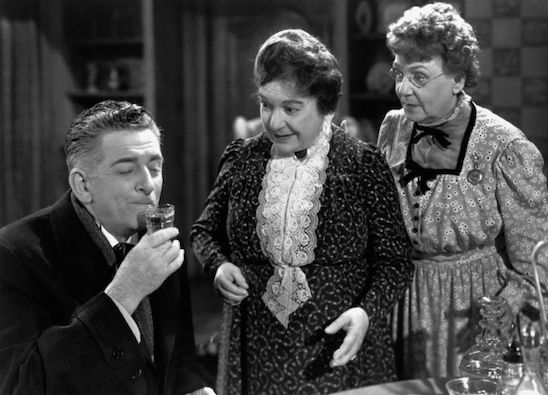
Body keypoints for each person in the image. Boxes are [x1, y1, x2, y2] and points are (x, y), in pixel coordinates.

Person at [190, 29, 413, 395]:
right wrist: (218, 266)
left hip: (338, 351)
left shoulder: (361, 165)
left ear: (324, 105)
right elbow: (204, 231)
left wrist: (366, 312)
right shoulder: (242, 159)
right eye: (266, 104)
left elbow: (395, 260)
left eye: (291, 108)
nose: (275, 122)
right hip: (257, 349)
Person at [377, 2, 548, 379]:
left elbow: (543, 264)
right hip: (401, 306)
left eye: (419, 76)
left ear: (458, 78)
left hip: (472, 317)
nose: (403, 89)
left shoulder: (505, 147)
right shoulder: (393, 127)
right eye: (399, 73)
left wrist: (505, 310)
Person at [0, 100, 214, 394]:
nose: (148, 184)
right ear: (83, 186)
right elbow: (20, 386)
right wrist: (124, 293)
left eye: (155, 166)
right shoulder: (13, 254)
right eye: (127, 171)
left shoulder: (162, 240)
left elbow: (177, 361)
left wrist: (193, 387)